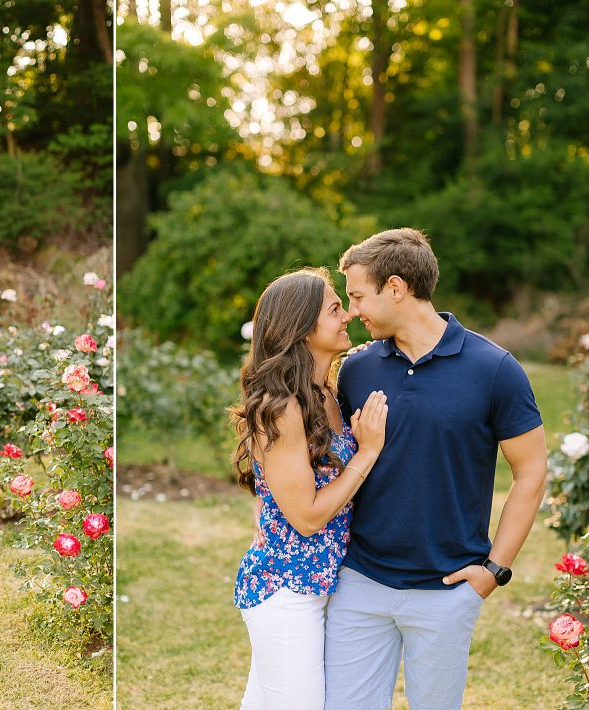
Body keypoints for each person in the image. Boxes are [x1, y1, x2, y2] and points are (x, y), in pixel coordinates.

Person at [324, 228, 548, 710]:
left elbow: (531, 472)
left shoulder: (495, 369)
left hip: (446, 592)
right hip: (359, 582)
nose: (354, 310)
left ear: (396, 288)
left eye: (359, 296)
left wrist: (495, 570)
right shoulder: (356, 370)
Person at [231, 267, 388, 710]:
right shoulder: (281, 408)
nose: (348, 317)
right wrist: (366, 453)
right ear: (301, 327)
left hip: (321, 585)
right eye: (335, 309)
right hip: (284, 591)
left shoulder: (326, 394)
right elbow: (307, 516)